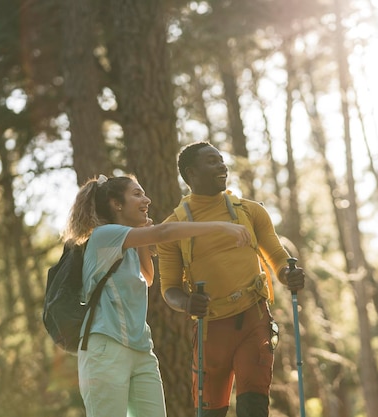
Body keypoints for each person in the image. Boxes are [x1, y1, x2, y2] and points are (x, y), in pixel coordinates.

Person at [61, 173, 251, 417]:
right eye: (137, 194)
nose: (147, 200)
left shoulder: (127, 243)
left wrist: (141, 234)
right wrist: (221, 227)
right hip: (106, 348)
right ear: (116, 204)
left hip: (140, 350)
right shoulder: (104, 236)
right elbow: (163, 233)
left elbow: (147, 277)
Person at [157, 142, 306, 417]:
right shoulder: (174, 228)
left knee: (253, 407)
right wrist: (188, 303)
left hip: (254, 320)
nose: (222, 166)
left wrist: (289, 275)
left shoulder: (250, 211)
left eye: (221, 160)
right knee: (211, 412)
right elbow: (170, 290)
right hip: (211, 331)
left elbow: (277, 257)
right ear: (191, 173)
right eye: (212, 162)